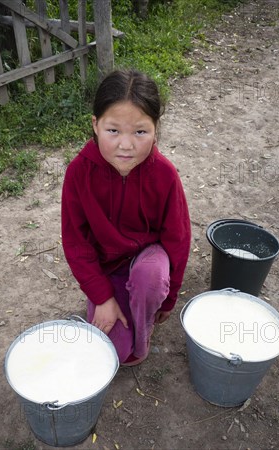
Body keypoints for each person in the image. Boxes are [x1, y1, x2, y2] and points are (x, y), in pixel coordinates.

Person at [61, 69, 191, 366]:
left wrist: (168, 297)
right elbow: (76, 244)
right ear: (95, 125)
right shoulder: (79, 174)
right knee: (111, 355)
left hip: (147, 261)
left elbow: (178, 240)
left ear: (156, 129)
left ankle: (144, 326)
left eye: (140, 132)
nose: (126, 145)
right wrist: (102, 297)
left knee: (150, 280)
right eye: (113, 130)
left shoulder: (165, 175)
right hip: (105, 267)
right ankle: (109, 302)